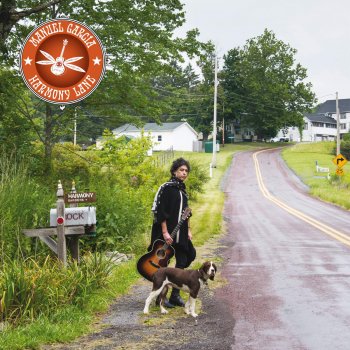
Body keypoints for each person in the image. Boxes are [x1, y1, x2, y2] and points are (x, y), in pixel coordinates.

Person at [150, 157, 196, 307]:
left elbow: (186, 212)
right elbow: (161, 212)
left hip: (180, 232)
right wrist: (164, 232)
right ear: (174, 171)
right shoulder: (167, 188)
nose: (184, 173)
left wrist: (188, 230)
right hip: (168, 232)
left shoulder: (182, 190)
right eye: (181, 170)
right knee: (164, 263)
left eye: (186, 171)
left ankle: (175, 294)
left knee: (186, 257)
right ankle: (160, 298)